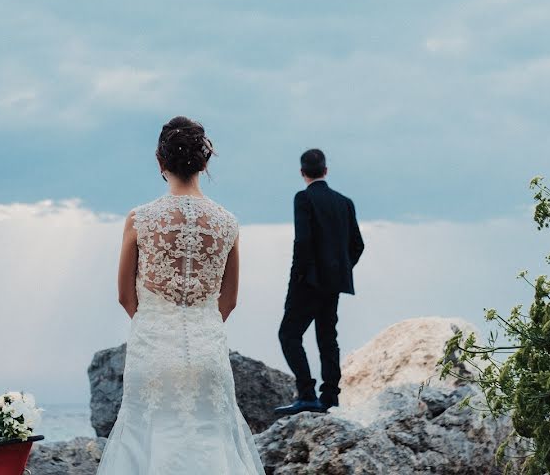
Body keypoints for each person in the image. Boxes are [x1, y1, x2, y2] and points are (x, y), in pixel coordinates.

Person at [96, 116, 264, 475]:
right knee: (212, 445)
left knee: (147, 446)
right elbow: (229, 300)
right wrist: (199, 322)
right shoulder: (227, 222)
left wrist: (159, 323)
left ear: (160, 162)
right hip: (207, 352)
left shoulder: (140, 219)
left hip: (153, 352)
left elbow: (125, 296)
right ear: (204, 162)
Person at [274, 149, 364, 415]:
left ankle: (306, 393)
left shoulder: (303, 198)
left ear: (303, 173)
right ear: (326, 170)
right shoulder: (344, 202)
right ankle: (330, 398)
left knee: (289, 335)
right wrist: (338, 269)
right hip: (334, 284)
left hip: (307, 282)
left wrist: (299, 276)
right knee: (327, 338)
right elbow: (357, 245)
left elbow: (302, 242)